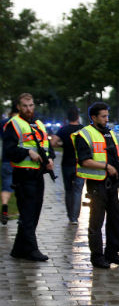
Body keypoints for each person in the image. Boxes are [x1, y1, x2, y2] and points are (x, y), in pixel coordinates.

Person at [73, 102, 119, 269]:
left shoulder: (109, 133)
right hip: (96, 185)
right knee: (96, 223)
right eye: (103, 116)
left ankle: (112, 253)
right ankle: (97, 257)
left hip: (111, 184)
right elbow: (84, 160)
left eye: (107, 116)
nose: (106, 119)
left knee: (117, 219)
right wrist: (106, 167)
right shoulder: (84, 134)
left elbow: (114, 156)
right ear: (94, 117)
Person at [3, 93, 55, 261]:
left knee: (34, 212)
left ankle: (19, 250)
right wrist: (27, 152)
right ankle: (32, 250)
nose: (28, 109)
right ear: (18, 107)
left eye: (31, 105)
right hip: (23, 175)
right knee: (28, 213)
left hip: (38, 174)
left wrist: (51, 158)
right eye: (25, 106)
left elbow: (45, 145)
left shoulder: (38, 124)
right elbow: (9, 151)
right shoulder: (13, 125)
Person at [51, 106, 85, 225]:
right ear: (78, 117)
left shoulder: (63, 130)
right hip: (80, 164)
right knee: (78, 191)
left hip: (66, 164)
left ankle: (70, 215)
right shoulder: (83, 129)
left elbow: (53, 142)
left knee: (68, 190)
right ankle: (75, 217)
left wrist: (62, 143)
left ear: (67, 117)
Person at [1, 103, 18, 225]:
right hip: (21, 161)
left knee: (6, 186)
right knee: (21, 187)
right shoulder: (22, 123)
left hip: (6, 160)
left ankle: (5, 207)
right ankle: (21, 211)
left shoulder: (3, 123)